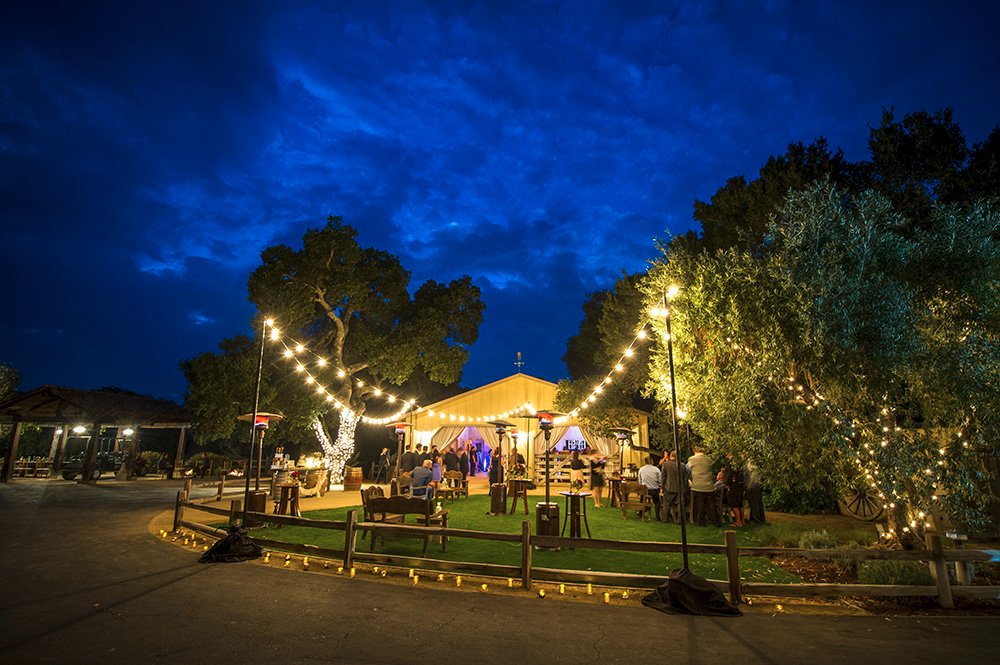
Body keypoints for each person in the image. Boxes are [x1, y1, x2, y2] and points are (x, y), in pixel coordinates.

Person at [687, 446, 719, 526]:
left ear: (694, 451)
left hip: (698, 485)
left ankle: (701, 521)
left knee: (699, 503)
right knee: (711, 504)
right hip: (709, 485)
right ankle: (715, 521)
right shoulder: (709, 459)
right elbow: (711, 469)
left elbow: (687, 469)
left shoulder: (692, 459)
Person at [660, 450, 688, 523]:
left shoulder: (666, 465)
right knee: (680, 505)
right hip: (680, 488)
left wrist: (663, 487)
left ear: (670, 456)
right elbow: (685, 479)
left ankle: (665, 519)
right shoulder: (683, 466)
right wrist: (685, 488)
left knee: (666, 505)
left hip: (669, 488)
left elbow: (663, 478)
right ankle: (680, 520)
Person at [723, 454, 746, 527]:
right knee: (740, 504)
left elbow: (729, 474)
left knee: (734, 504)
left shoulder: (731, 463)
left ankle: (738, 522)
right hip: (740, 485)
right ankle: (742, 521)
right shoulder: (740, 462)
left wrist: (726, 482)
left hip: (734, 486)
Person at [746, 459, 766, 524]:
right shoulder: (758, 462)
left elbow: (750, 476)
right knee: (758, 503)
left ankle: (757, 520)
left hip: (753, 486)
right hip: (758, 485)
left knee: (754, 503)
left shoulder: (751, 463)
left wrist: (747, 486)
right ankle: (760, 519)